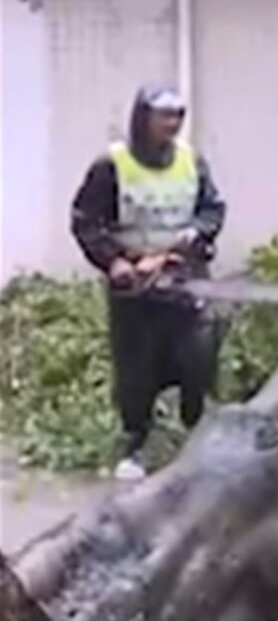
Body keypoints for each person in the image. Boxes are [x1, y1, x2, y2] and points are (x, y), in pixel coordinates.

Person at [71, 85, 226, 481]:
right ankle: (136, 444)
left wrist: (190, 238)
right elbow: (86, 221)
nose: (172, 125)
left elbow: (211, 210)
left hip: (183, 276)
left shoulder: (192, 161)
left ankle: (194, 432)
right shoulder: (112, 166)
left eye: (177, 116)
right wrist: (114, 262)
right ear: (143, 119)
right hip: (135, 285)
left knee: (197, 355)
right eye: (164, 116)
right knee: (137, 367)